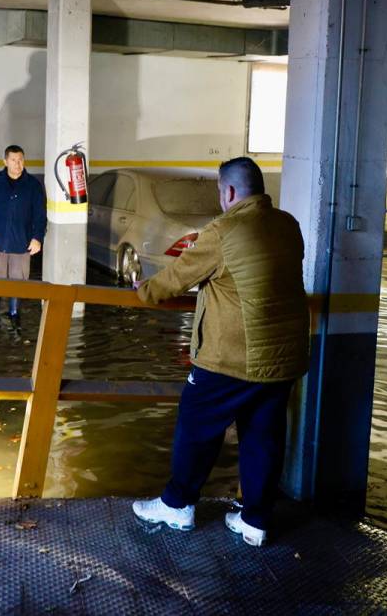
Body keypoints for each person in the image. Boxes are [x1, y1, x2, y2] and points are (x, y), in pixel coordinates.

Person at [131, 156, 309, 547]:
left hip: (232, 357)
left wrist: (144, 290)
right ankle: (255, 519)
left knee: (196, 427)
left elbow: (176, 278)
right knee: (263, 437)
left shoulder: (223, 231)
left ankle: (178, 505)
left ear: (228, 191)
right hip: (284, 357)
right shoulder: (288, 224)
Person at [0, 144, 47, 331]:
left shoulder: (33, 185)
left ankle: (14, 314)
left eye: (21, 160)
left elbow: (40, 215)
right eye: (13, 160)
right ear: (5, 161)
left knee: (19, 280)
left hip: (22, 243)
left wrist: (37, 238)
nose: (18, 164)